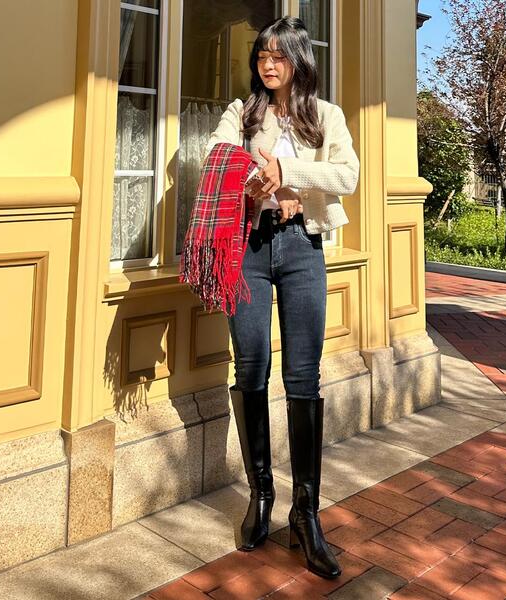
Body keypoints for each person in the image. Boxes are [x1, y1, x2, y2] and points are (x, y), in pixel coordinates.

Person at [203, 15, 359, 580]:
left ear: (298, 59)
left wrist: (291, 175)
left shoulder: (326, 116)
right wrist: (260, 181)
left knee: (302, 376)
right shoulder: (242, 113)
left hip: (301, 248)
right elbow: (216, 157)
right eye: (261, 55)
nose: (267, 64)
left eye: (277, 55)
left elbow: (347, 175)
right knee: (250, 365)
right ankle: (262, 495)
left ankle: (306, 514)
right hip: (248, 247)